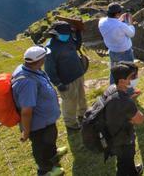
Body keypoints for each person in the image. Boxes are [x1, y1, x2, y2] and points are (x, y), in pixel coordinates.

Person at [12, 46, 66, 176]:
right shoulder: (27, 82)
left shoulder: (32, 69)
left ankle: (53, 153)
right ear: (39, 60)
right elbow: (26, 110)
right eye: (44, 57)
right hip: (37, 124)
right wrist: (26, 131)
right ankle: (45, 170)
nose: (46, 58)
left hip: (46, 119)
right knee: (40, 146)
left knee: (50, 137)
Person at [44, 21, 87, 131]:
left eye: (68, 33)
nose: (66, 35)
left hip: (78, 73)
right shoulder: (50, 49)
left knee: (81, 97)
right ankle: (70, 123)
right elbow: (49, 69)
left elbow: (77, 46)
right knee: (70, 102)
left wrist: (78, 33)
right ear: (56, 34)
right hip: (66, 80)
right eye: (64, 34)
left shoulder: (68, 39)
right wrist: (58, 83)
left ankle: (83, 114)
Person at [105, 63, 144, 176]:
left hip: (112, 135)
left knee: (125, 160)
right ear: (122, 80)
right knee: (124, 163)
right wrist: (131, 104)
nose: (135, 79)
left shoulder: (111, 89)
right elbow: (140, 119)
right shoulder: (126, 102)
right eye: (132, 77)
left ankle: (133, 171)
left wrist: (129, 98)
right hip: (123, 139)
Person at [99, 3, 136, 82]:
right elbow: (131, 34)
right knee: (129, 71)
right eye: (120, 12)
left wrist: (118, 19)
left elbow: (112, 25)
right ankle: (129, 89)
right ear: (116, 14)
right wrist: (130, 24)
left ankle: (113, 87)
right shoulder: (121, 25)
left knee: (114, 71)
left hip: (112, 51)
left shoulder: (101, 22)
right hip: (125, 52)